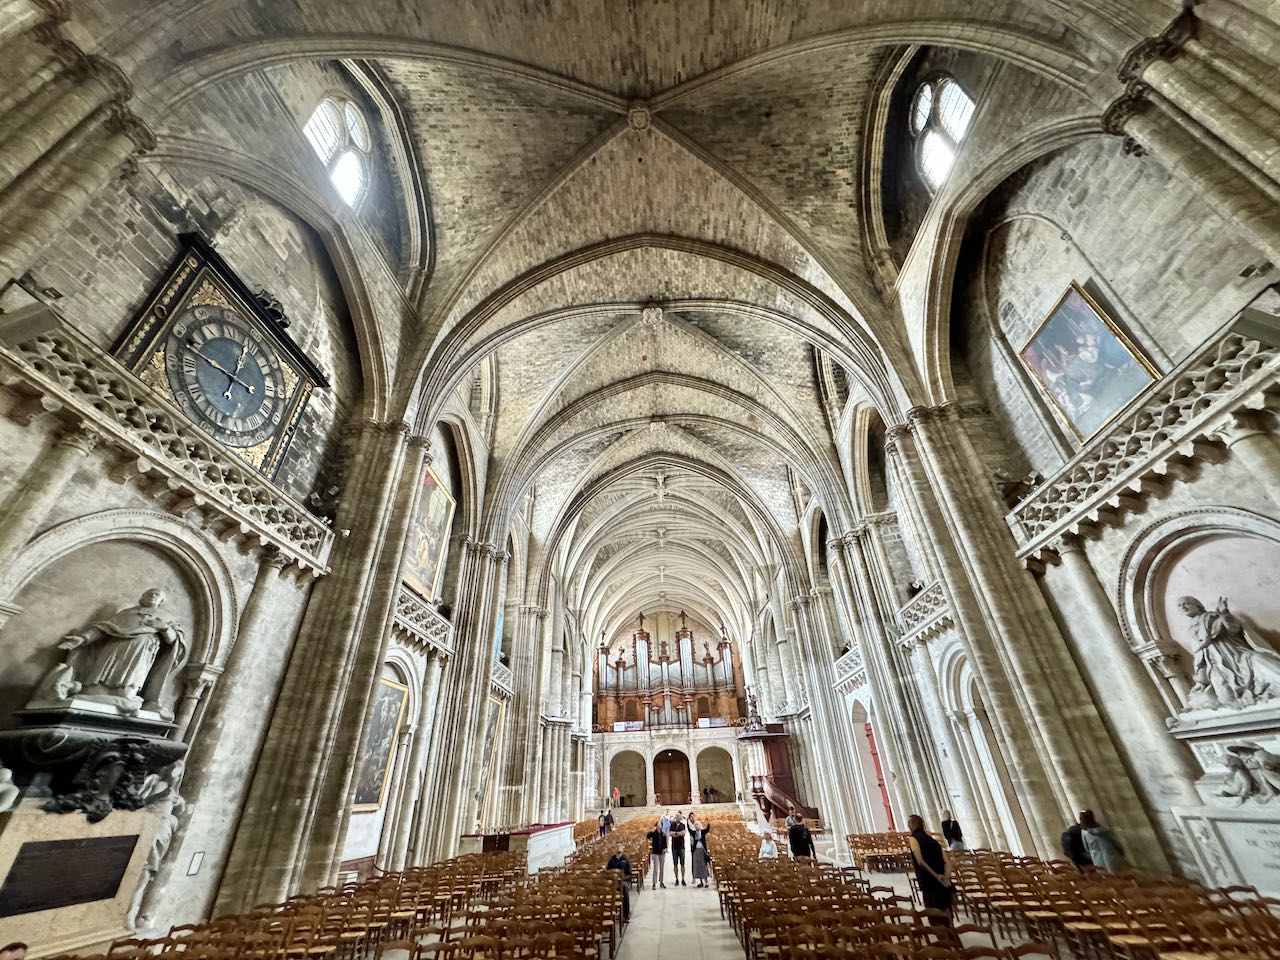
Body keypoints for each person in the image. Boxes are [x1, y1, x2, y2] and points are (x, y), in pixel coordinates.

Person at [907, 814, 953, 927]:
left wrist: (936, 875)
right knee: (945, 910)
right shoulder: (933, 840)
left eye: (909, 823)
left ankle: (943, 940)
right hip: (942, 883)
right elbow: (947, 862)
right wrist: (946, 878)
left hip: (928, 882)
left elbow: (920, 862)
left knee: (934, 914)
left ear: (912, 825)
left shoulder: (913, 839)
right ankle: (952, 937)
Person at [606, 845, 632, 921]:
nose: (618, 852)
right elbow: (607, 872)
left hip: (622, 882)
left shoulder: (625, 860)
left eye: (620, 850)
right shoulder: (611, 860)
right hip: (612, 882)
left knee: (625, 890)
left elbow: (629, 875)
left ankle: (626, 915)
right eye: (617, 850)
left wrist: (622, 879)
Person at [689, 813, 712, 888]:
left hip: (702, 850)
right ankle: (701, 882)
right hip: (696, 850)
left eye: (698, 825)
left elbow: (707, 829)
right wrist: (687, 821)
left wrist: (708, 821)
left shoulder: (702, 832)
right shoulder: (694, 833)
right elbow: (689, 830)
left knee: (703, 866)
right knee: (698, 866)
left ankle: (706, 881)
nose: (697, 826)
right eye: (695, 825)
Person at [646, 818, 668, 889]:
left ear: (661, 826)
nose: (659, 825)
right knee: (655, 868)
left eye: (660, 824)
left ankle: (661, 881)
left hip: (662, 853)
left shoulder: (663, 834)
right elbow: (648, 836)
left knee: (662, 868)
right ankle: (654, 883)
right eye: (658, 824)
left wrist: (665, 849)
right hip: (655, 852)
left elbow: (665, 844)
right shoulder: (653, 833)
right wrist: (651, 831)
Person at [669, 812, 688, 886]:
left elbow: (683, 833)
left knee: (682, 864)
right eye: (677, 817)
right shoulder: (672, 824)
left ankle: (683, 879)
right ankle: (676, 879)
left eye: (679, 817)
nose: (678, 818)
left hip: (681, 847)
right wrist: (678, 833)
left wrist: (675, 833)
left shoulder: (683, 825)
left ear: (681, 818)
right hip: (674, 847)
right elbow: (671, 833)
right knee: (675, 864)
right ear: (675, 818)